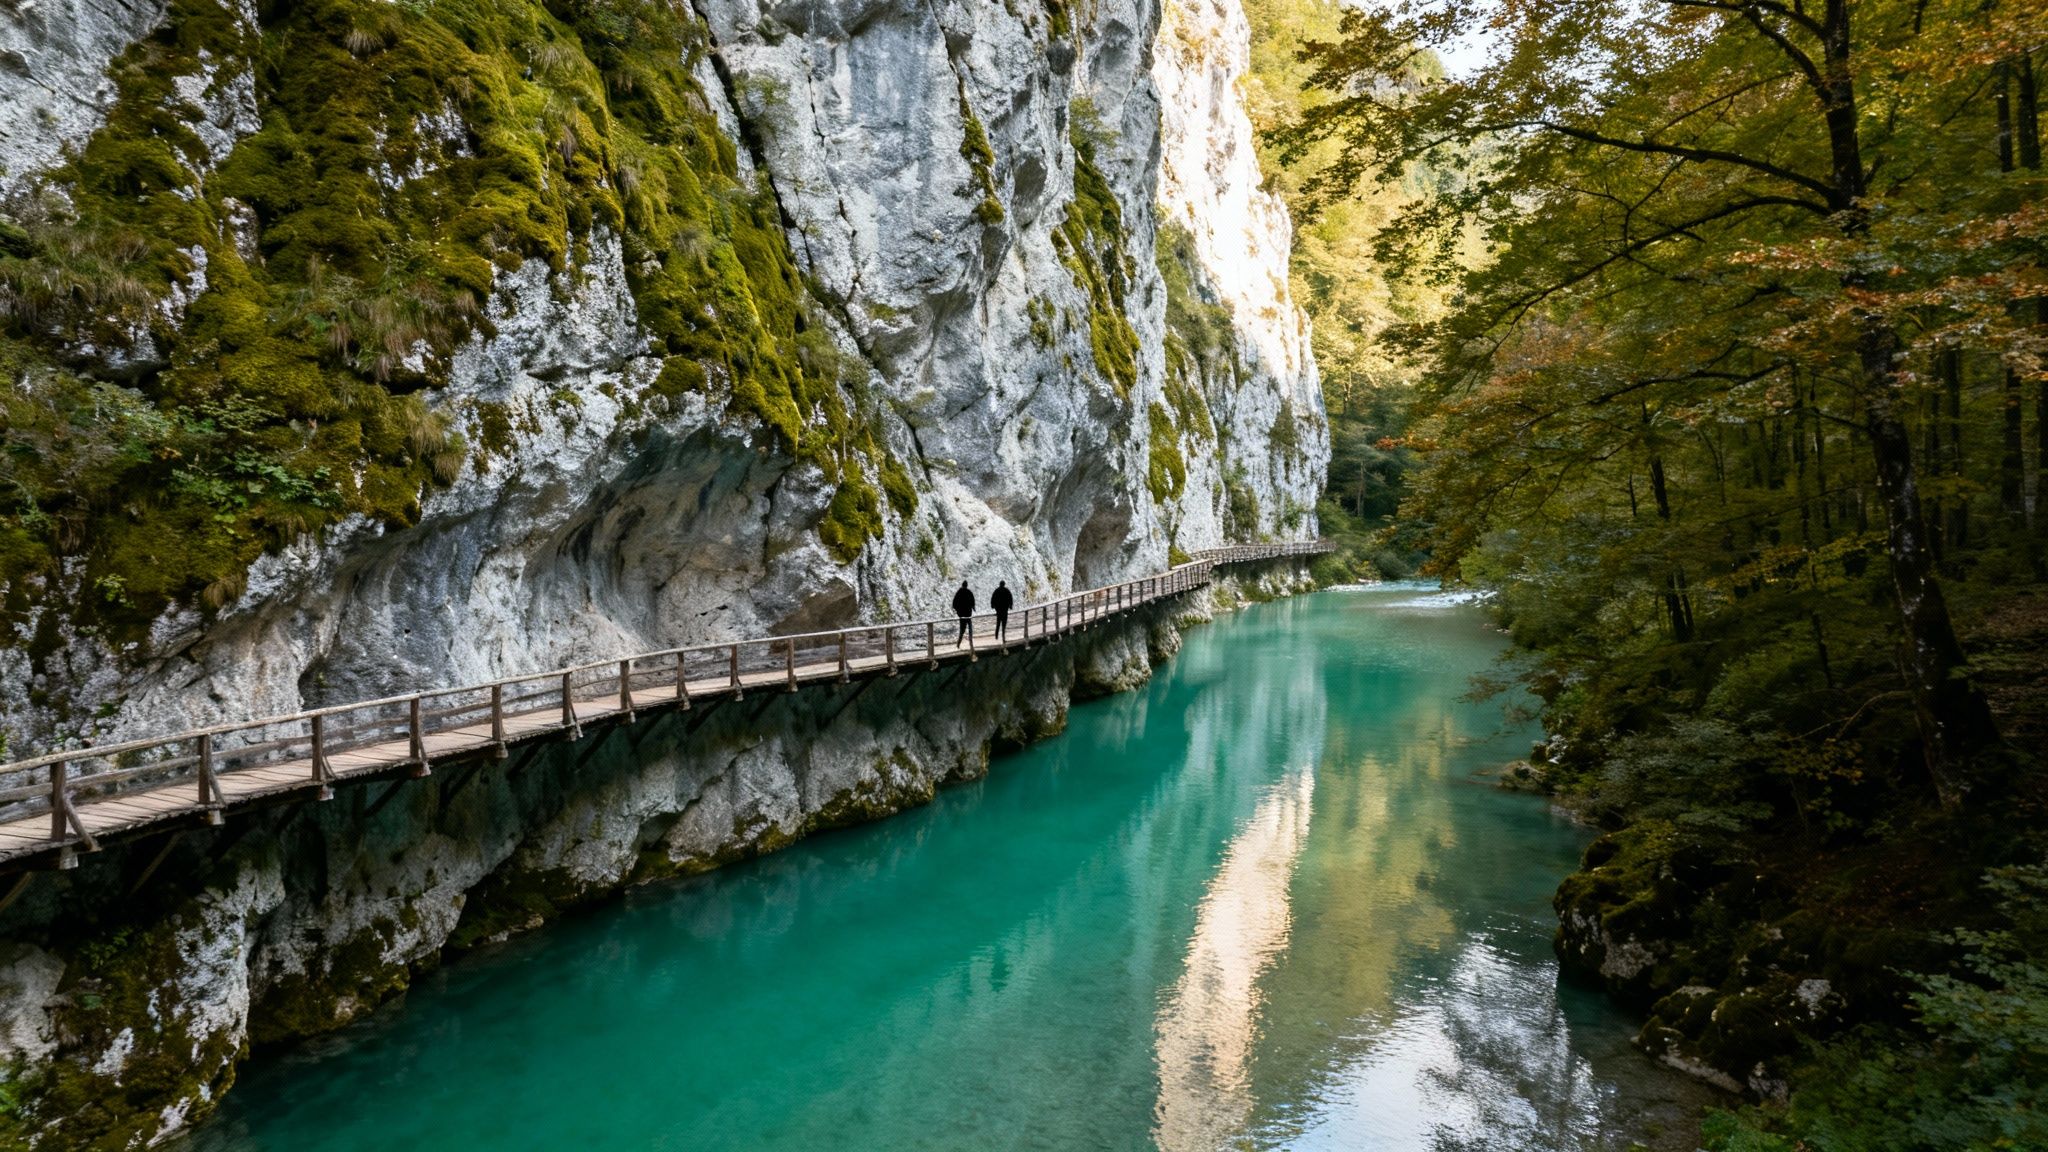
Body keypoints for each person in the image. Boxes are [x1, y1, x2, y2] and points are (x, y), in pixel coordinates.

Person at [952, 581, 976, 646]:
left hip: (961, 614)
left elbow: (954, 603)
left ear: (962, 585)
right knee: (970, 627)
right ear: (967, 585)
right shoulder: (969, 592)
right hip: (968, 613)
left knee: (962, 628)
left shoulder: (959, 592)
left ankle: (958, 643)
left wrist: (957, 610)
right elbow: (973, 602)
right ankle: (971, 641)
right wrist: (973, 608)